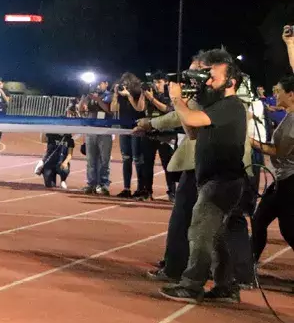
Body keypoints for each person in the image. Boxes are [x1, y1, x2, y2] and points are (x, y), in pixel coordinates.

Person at [159, 50, 251, 303]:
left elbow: (191, 118)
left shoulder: (231, 106)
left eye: (213, 77)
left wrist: (177, 100)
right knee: (217, 236)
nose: (208, 82)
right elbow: (191, 131)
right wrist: (185, 105)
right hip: (215, 181)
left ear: (231, 82)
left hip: (221, 182)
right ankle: (226, 286)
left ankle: (191, 285)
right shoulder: (218, 106)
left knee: (199, 233)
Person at [250, 75, 294, 263]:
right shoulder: (288, 115)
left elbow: (279, 151)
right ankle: (249, 266)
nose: (274, 94)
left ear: (291, 94)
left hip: (290, 181)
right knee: (259, 220)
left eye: (278, 91)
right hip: (282, 180)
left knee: (289, 229)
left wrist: (251, 142)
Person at [114, 73, 148, 198]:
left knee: (137, 158)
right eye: (123, 84)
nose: (125, 86)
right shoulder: (120, 95)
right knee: (126, 158)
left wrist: (129, 96)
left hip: (136, 126)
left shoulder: (138, 92)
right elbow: (113, 109)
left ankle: (140, 188)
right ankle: (126, 188)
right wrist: (115, 94)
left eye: (127, 84)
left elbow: (140, 108)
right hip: (124, 127)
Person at [83, 78, 115, 195]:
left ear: (106, 84)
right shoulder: (91, 96)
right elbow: (81, 109)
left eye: (101, 83)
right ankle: (91, 183)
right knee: (91, 159)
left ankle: (103, 184)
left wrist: (97, 100)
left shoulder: (109, 96)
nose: (98, 85)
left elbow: (109, 110)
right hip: (91, 131)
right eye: (97, 83)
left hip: (105, 131)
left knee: (104, 160)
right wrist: (84, 97)